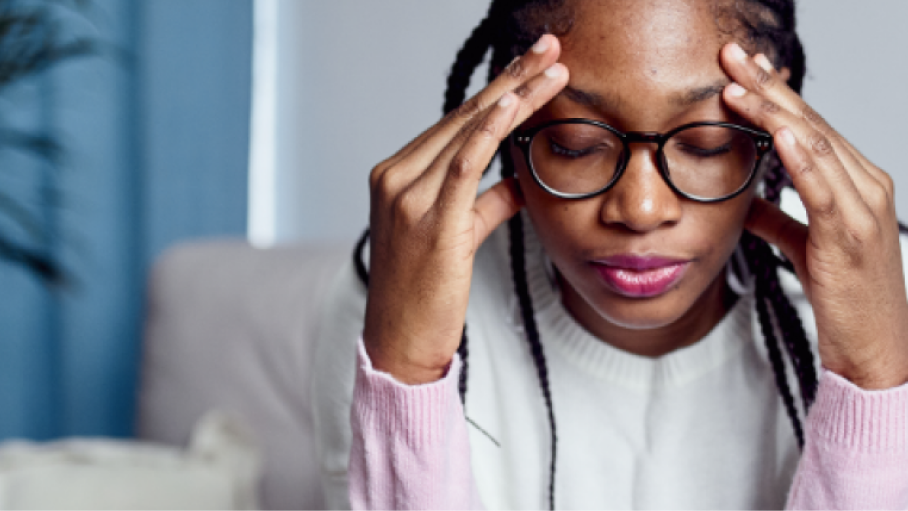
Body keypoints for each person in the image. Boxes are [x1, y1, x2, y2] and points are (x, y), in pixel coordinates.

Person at [311, 0, 908, 509]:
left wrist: (873, 379)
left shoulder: (892, 290)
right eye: (576, 146)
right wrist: (407, 375)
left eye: (706, 144)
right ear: (506, 130)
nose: (642, 208)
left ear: (775, 127)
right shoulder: (391, 297)